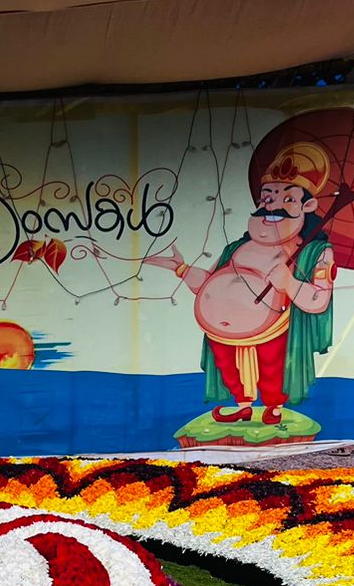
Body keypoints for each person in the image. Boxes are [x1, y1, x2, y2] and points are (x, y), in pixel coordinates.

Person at [144, 141, 336, 425]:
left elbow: (319, 301)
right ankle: (243, 405)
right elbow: (208, 283)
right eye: (267, 197)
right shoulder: (236, 247)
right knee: (227, 365)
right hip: (221, 330)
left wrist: (290, 283)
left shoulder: (313, 253)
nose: (272, 205)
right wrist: (182, 269)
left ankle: (273, 407)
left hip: (271, 327)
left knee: (272, 365)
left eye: (287, 198)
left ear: (307, 206)